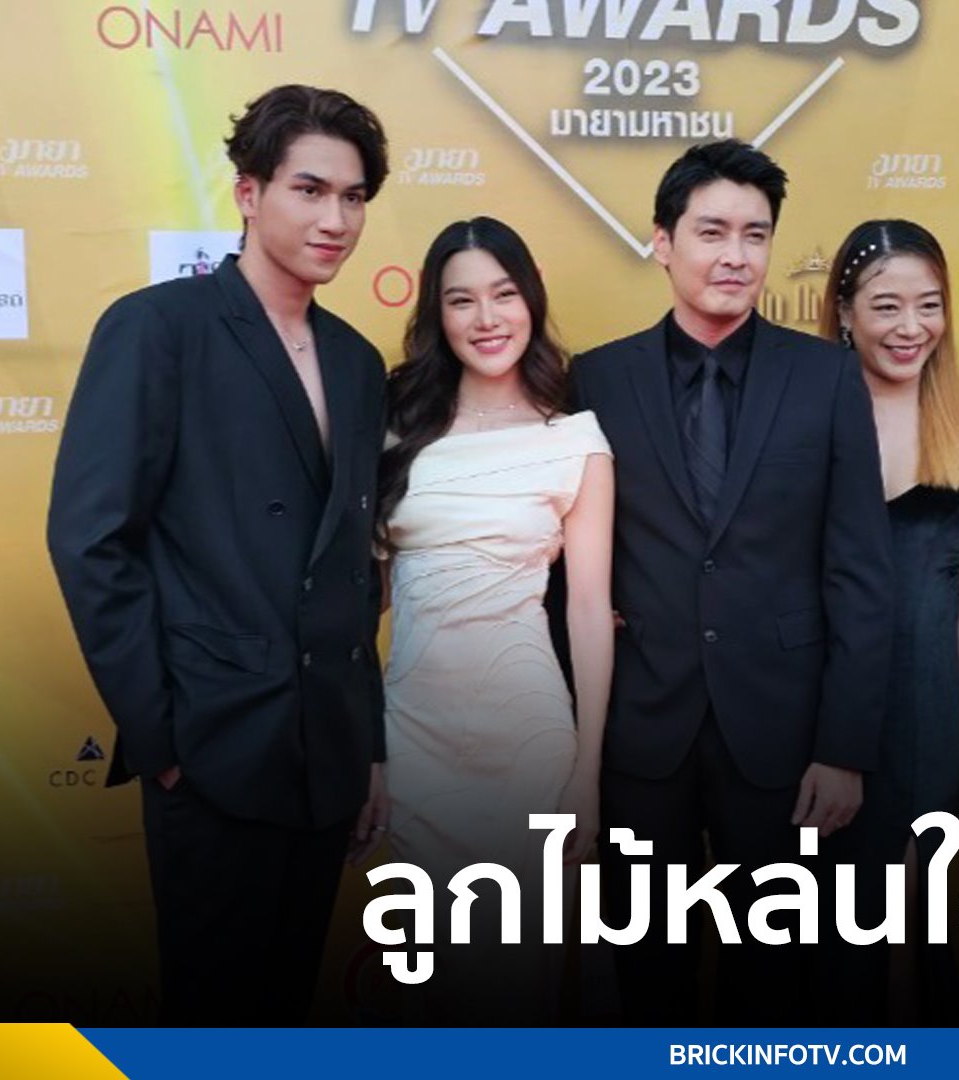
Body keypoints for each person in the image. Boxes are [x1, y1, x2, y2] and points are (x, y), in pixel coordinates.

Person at [45, 85, 392, 1024]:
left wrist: (369, 748)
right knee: (215, 1017)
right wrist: (161, 741)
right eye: (309, 190)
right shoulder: (159, 328)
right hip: (213, 747)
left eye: (353, 198)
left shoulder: (359, 362)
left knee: (286, 1010)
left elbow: (353, 568)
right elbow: (91, 541)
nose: (334, 220)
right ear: (248, 192)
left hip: (327, 756)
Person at [567, 139, 895, 1024]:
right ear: (662, 241)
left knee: (775, 983)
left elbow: (860, 570)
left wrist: (845, 748)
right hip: (641, 732)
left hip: (786, 735)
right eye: (711, 232)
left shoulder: (826, 375)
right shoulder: (598, 378)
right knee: (647, 977)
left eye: (755, 235)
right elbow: (571, 566)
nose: (735, 256)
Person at [374, 217, 613, 1023]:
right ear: (436, 314)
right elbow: (359, 599)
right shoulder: (395, 427)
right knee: (427, 989)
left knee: (518, 985)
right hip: (412, 736)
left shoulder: (575, 438)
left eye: (504, 295)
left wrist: (586, 773)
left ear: (531, 301)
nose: (487, 318)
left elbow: (588, 610)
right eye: (462, 300)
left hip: (528, 738)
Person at [817, 219, 959, 1023]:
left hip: (929, 719)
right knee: (828, 941)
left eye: (928, 305)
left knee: (911, 934)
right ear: (844, 312)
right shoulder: (805, 425)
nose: (910, 327)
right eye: (886, 305)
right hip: (823, 725)